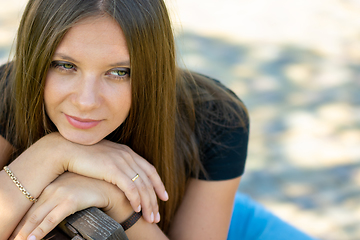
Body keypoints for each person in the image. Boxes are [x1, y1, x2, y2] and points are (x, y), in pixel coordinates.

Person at [0, 0, 316, 239]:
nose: (85, 101)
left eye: (120, 72)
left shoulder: (215, 117)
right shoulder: (8, 92)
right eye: (65, 65)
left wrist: (118, 201)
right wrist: (54, 153)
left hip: (218, 213)